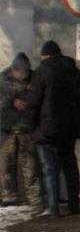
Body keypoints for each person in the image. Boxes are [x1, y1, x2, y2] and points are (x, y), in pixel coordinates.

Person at [26, 41, 80, 217]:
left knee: (50, 169)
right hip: (70, 128)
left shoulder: (42, 71)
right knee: (70, 167)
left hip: (47, 128)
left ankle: (53, 208)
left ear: (46, 55)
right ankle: (74, 204)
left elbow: (34, 101)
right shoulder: (75, 72)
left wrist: (30, 122)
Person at [0, 52, 43, 211]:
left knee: (31, 166)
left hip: (27, 129)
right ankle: (8, 197)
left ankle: (35, 199)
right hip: (7, 129)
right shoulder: (3, 79)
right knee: (6, 165)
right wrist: (12, 102)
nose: (23, 77)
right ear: (14, 69)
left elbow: (39, 99)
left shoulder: (35, 78)